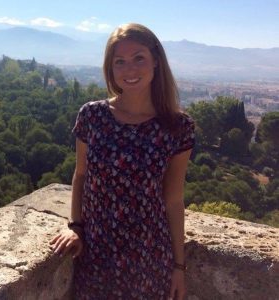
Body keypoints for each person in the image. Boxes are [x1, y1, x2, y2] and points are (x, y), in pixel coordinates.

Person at [50, 23, 195, 300]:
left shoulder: (177, 127)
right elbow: (80, 176)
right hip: (96, 254)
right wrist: (75, 227)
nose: (130, 69)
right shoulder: (92, 116)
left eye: (138, 57)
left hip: (150, 259)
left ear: (155, 61)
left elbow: (174, 200)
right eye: (120, 62)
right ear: (111, 69)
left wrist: (179, 266)